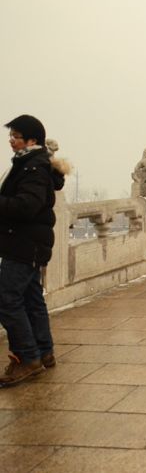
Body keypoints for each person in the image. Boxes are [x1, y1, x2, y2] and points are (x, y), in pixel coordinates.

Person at [0, 115, 67, 386]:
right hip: (28, 244)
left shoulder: (34, 168)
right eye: (11, 136)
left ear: (32, 140)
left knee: (5, 298)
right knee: (31, 299)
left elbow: (27, 206)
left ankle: (27, 358)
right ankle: (44, 351)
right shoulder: (31, 164)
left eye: (16, 136)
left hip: (23, 244)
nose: (11, 140)